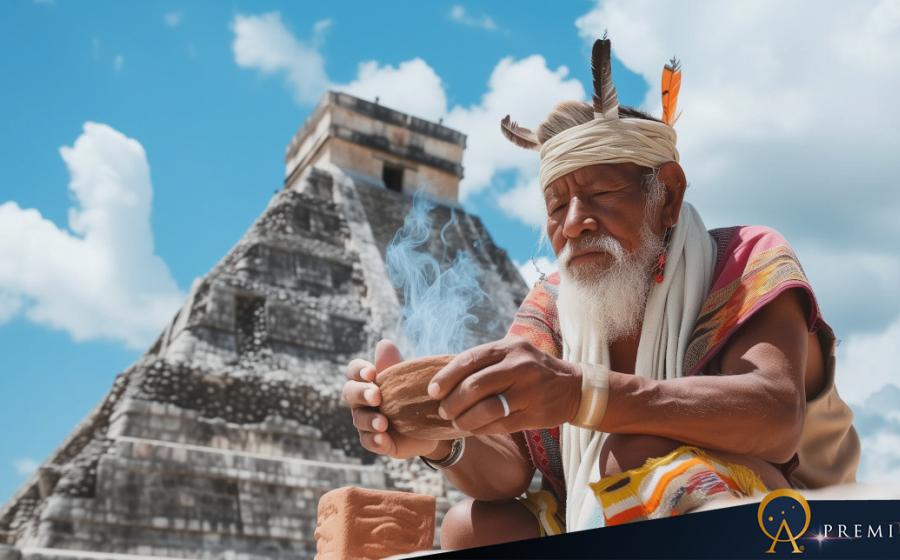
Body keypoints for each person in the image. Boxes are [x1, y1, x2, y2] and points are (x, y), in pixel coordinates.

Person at [341, 38, 859, 550]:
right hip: (607, 516)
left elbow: (774, 417)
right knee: (473, 526)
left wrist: (581, 393)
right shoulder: (551, 303)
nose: (574, 224)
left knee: (638, 455)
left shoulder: (747, 259)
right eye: (556, 204)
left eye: (600, 195)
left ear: (668, 195)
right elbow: (508, 471)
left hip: (792, 523)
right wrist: (439, 434)